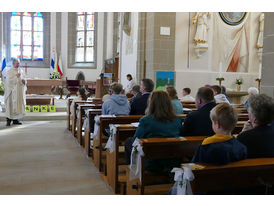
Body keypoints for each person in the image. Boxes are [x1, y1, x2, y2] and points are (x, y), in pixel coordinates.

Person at [125, 91, 182, 171]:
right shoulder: (177, 119)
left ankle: (134, 171)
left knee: (129, 142)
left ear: (151, 103)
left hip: (151, 161)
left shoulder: (146, 120)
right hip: (172, 160)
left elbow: (136, 141)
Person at [4, 58, 26, 126]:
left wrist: (24, 81)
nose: (18, 65)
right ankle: (8, 120)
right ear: (13, 63)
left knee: (17, 105)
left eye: (19, 63)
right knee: (10, 105)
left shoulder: (21, 71)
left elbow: (24, 78)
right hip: (11, 92)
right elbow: (8, 81)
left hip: (18, 91)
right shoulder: (10, 71)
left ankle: (15, 120)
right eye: (17, 63)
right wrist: (16, 77)